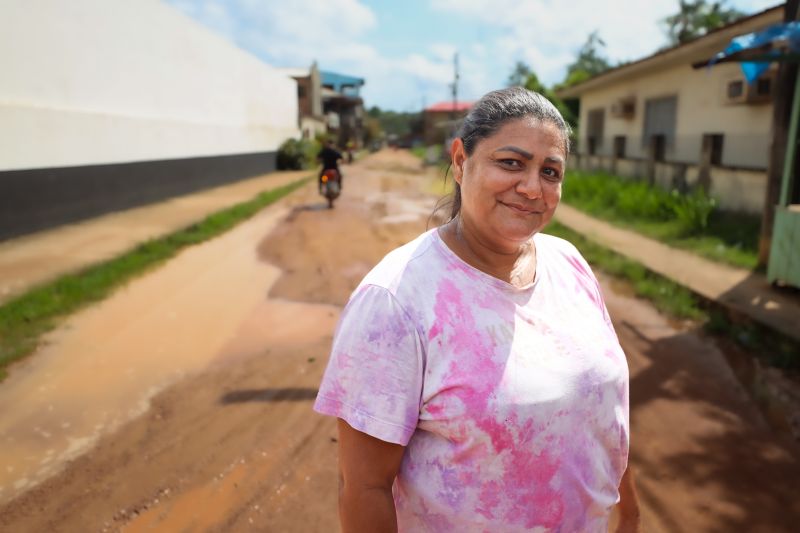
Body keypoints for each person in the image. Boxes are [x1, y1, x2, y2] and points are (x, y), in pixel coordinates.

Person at [314, 87, 641, 532]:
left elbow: (605, 418)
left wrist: (630, 513)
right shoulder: (396, 301)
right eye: (511, 163)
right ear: (461, 161)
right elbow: (364, 488)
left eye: (550, 171)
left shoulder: (569, 263)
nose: (531, 188)